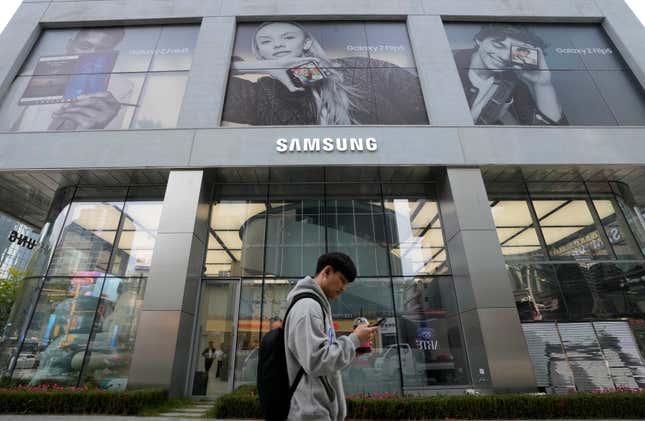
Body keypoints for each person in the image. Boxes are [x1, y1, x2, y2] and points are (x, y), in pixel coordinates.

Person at [223, 21, 427, 126]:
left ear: (307, 42)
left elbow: (421, 102)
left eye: (287, 37)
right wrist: (264, 67)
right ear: (259, 52)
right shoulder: (262, 92)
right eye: (266, 41)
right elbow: (209, 80)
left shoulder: (358, 68)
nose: (277, 44)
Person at [284, 252, 378, 420]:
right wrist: (354, 339)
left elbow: (322, 360)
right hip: (312, 413)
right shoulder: (308, 308)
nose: (343, 288)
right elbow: (316, 361)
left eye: (346, 284)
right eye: (342, 280)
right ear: (326, 272)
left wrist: (352, 349)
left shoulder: (316, 306)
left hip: (316, 410)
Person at [0, 28, 133, 131]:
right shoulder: (30, 77)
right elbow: (7, 122)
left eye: (102, 49)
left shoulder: (121, 87)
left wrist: (98, 129)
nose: (91, 54)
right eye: (85, 46)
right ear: (70, 45)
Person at [453, 24, 566, 125]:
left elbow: (555, 135)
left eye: (513, 51)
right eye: (498, 45)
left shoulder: (512, 82)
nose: (505, 56)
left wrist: (543, 85)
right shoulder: (449, 63)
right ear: (479, 40)